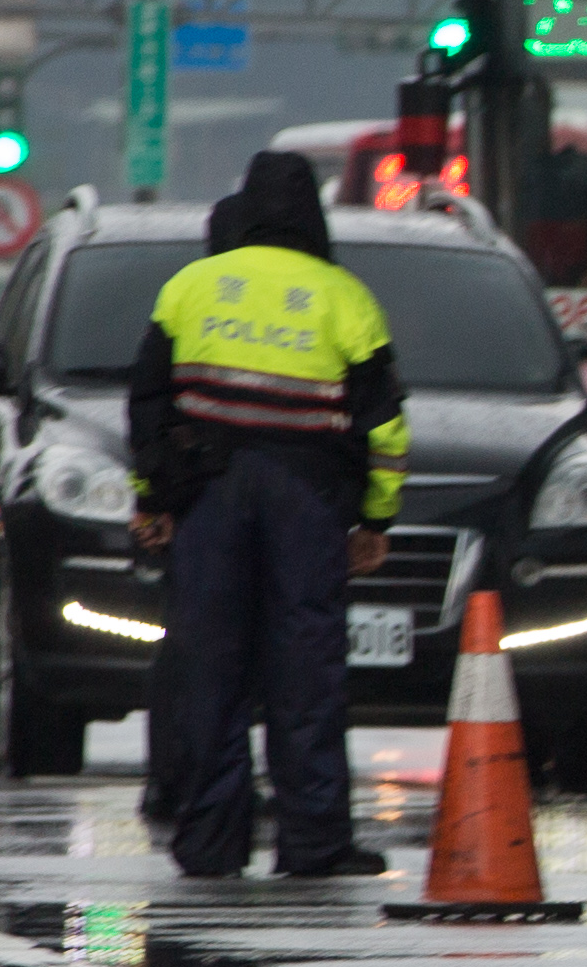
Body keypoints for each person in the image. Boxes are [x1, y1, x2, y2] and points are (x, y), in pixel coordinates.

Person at [125, 151, 405, 880]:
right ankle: (313, 843)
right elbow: (384, 427)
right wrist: (375, 521)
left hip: (208, 496)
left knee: (209, 667)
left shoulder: (189, 288)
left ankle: (211, 843)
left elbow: (147, 405)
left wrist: (152, 500)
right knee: (305, 670)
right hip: (307, 501)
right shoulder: (346, 298)